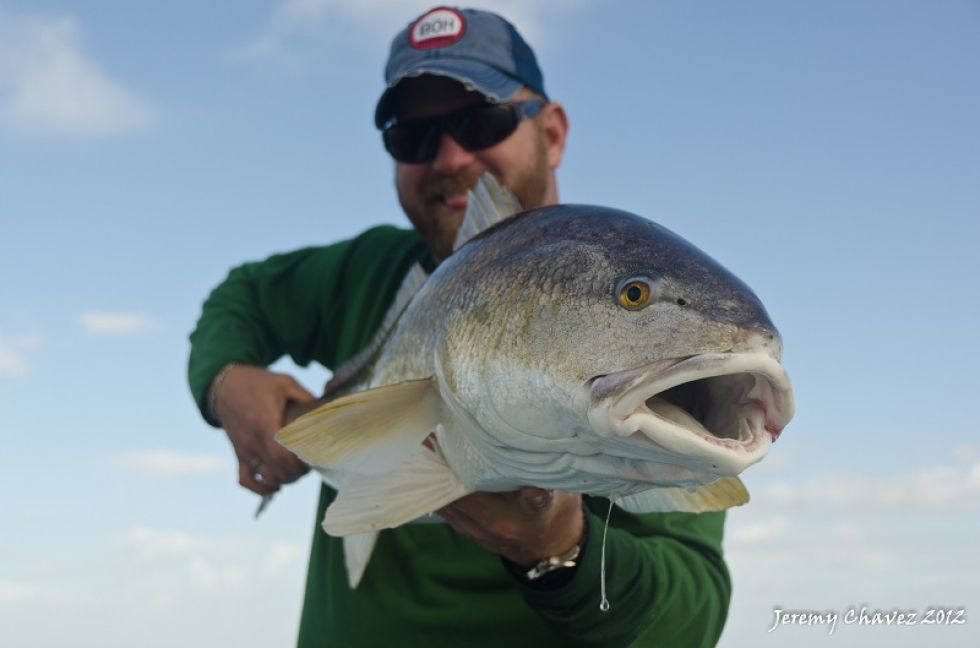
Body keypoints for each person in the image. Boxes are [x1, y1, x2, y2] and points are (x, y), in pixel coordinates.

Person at [188, 7, 731, 647]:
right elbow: (241, 295)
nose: (449, 156)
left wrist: (559, 553)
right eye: (411, 135)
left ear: (552, 133)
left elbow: (688, 618)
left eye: (482, 120)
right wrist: (226, 382)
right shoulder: (366, 269)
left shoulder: (649, 352)